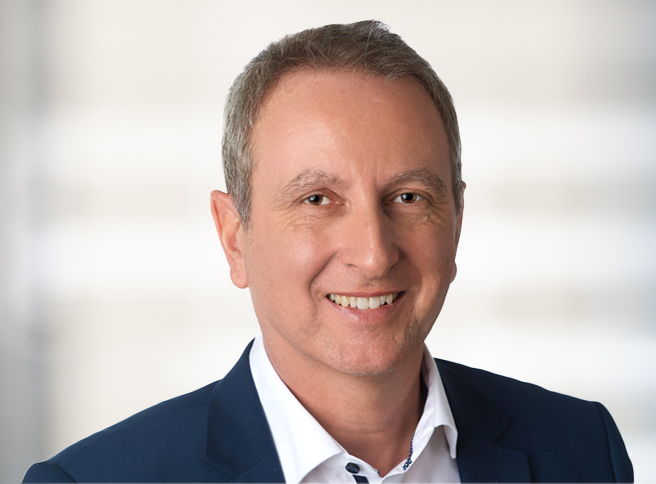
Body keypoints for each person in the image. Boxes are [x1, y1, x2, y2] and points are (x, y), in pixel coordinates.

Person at [24, 20, 633, 483]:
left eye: (409, 197)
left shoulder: (582, 451)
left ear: (456, 223)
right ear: (234, 236)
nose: (373, 254)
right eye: (317, 199)